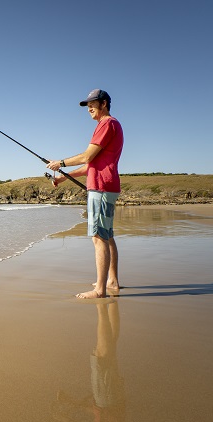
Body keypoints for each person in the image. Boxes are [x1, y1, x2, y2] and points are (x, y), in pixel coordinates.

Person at [46, 89, 124, 299]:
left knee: (99, 237)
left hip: (100, 187)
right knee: (107, 236)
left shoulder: (106, 124)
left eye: (93, 103)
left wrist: (60, 163)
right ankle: (112, 281)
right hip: (107, 185)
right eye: (87, 104)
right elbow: (92, 162)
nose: (89, 107)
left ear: (104, 103)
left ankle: (100, 290)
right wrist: (63, 176)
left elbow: (87, 155)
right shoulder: (112, 125)